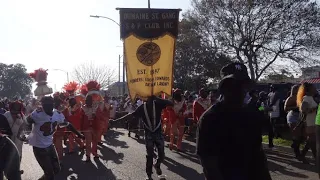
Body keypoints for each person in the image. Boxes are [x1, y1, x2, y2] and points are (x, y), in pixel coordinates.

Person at [196, 62, 271, 180]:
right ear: (224, 88)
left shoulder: (251, 115)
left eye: (243, 85)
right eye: (235, 85)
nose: (241, 90)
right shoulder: (210, 119)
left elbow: (258, 156)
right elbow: (209, 165)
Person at [111, 95, 173, 180]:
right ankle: (149, 175)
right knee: (150, 155)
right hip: (148, 134)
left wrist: (156, 98)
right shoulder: (141, 108)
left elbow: (170, 103)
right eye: (148, 98)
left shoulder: (158, 104)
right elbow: (130, 115)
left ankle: (157, 164)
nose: (149, 100)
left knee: (162, 154)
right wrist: (115, 121)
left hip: (158, 133)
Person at [26, 96, 84, 180]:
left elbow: (68, 125)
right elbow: (27, 121)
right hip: (39, 147)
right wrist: (24, 133)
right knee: (50, 175)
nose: (47, 108)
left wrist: (79, 134)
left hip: (50, 145)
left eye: (49, 105)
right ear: (42, 105)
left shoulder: (57, 114)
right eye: (45, 106)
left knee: (57, 169)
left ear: (53, 104)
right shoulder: (37, 113)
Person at [297, 82, 318, 161]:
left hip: (313, 121)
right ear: (309, 90)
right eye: (313, 88)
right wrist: (315, 109)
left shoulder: (311, 97)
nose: (315, 89)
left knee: (311, 140)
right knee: (312, 140)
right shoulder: (306, 98)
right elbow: (303, 110)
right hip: (310, 122)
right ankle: (316, 157)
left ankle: (302, 155)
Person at [3, 101, 26, 170]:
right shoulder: (7, 114)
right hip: (7, 137)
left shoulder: (22, 115)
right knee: (7, 152)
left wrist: (22, 134)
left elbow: (24, 125)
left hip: (18, 138)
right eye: (15, 105)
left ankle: (17, 168)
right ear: (12, 106)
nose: (16, 107)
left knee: (18, 153)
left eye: (18, 106)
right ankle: (7, 169)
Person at [284, 85, 302, 160]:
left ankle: (295, 145)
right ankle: (297, 153)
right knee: (296, 135)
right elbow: (285, 109)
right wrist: (295, 107)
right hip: (292, 116)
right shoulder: (291, 98)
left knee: (301, 135)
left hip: (300, 116)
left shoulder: (301, 97)